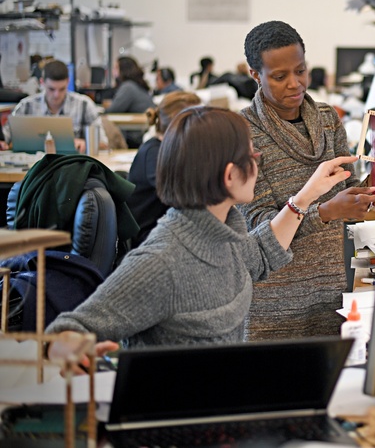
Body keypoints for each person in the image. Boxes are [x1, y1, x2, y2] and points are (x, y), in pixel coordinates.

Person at [45, 106, 356, 367]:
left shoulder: (224, 235)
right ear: (229, 175)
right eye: (253, 157)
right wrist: (67, 348)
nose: (258, 163)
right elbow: (69, 329)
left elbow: (261, 253)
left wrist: (307, 195)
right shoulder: (161, 262)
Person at [240, 20, 375, 341]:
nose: (295, 83)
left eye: (301, 71)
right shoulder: (243, 133)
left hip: (331, 287)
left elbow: (344, 186)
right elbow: (258, 227)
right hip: (276, 299)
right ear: (255, 75)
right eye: (279, 76)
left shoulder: (328, 119)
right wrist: (327, 211)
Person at [127, 91, 201, 248]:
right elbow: (180, 195)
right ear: (178, 124)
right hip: (149, 237)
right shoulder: (154, 153)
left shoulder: (172, 149)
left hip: (167, 229)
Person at [0, 60, 108, 153]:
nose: (57, 95)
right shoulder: (26, 105)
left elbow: (103, 142)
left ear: (68, 82)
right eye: (51, 89)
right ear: (42, 82)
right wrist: (3, 143)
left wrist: (85, 143)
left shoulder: (84, 104)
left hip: (72, 166)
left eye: (62, 89)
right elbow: (6, 136)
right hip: (35, 167)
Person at [106, 56, 155, 148]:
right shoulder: (137, 85)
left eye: (116, 68)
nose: (113, 71)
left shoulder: (128, 87)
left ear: (123, 69)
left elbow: (112, 110)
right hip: (143, 131)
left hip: (135, 135)